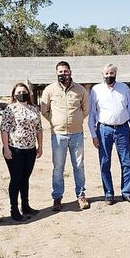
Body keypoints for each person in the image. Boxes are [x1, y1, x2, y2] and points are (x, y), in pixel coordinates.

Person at [40, 61, 90, 211]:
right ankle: (57, 197)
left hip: (77, 134)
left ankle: (81, 195)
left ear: (70, 72)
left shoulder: (80, 90)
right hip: (58, 135)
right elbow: (44, 110)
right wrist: (55, 122)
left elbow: (86, 109)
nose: (63, 74)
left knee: (79, 166)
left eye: (65, 71)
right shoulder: (49, 90)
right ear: (56, 73)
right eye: (60, 72)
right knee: (58, 168)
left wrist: (77, 120)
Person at [88, 64, 130, 205]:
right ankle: (109, 193)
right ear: (102, 74)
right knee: (105, 162)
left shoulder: (124, 88)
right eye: (106, 73)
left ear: (116, 73)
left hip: (123, 129)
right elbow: (92, 113)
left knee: (127, 162)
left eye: (112, 73)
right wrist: (93, 135)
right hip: (104, 130)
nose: (109, 75)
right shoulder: (96, 90)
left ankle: (127, 192)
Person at [0, 83, 44, 221]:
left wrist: (40, 146)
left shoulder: (34, 109)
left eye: (24, 91)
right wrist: (6, 148)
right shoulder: (10, 109)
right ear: (14, 94)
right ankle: (14, 209)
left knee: (25, 178)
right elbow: (4, 129)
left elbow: (39, 128)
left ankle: (26, 206)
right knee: (16, 179)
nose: (22, 94)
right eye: (19, 92)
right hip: (15, 149)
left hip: (30, 149)